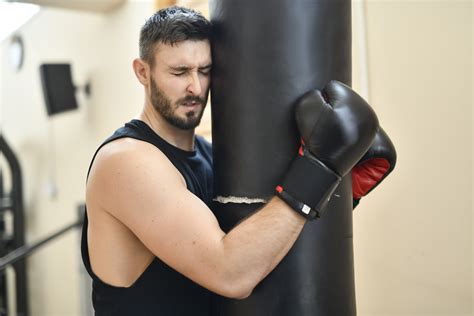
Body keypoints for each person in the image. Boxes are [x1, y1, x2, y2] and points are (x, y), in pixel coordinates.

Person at [81, 6, 379, 316]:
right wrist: (318, 170)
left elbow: (259, 244)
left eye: (204, 70)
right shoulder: (127, 162)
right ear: (143, 72)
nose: (195, 88)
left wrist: (337, 190)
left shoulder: (209, 154)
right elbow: (230, 273)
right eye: (179, 72)